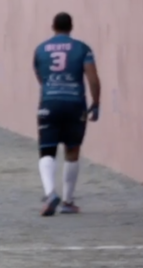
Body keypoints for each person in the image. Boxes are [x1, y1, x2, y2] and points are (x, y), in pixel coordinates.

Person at [33, 12, 101, 216]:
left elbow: (40, 77)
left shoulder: (40, 49)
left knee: (47, 151)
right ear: (71, 27)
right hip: (74, 104)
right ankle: (68, 202)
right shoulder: (82, 48)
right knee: (72, 150)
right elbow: (93, 78)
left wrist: (51, 90)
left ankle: (50, 194)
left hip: (49, 102)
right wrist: (96, 103)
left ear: (53, 27)